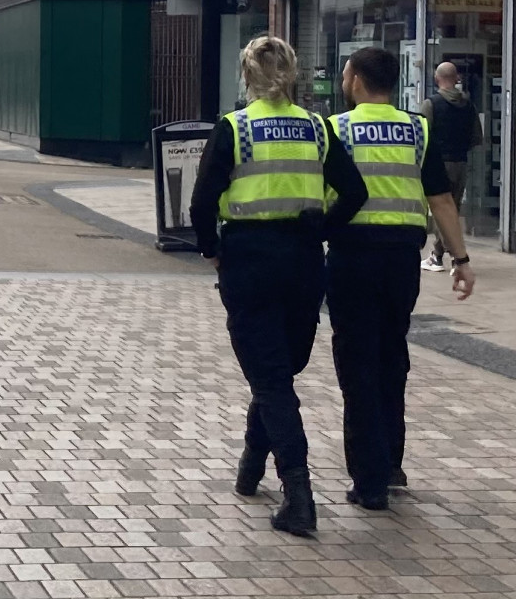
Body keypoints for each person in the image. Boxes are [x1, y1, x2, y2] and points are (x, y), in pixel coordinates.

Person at [190, 35, 367, 536]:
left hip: (248, 261)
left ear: (246, 75)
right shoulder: (316, 128)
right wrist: (322, 230)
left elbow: (202, 204)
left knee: (270, 379)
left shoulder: (235, 128)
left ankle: (299, 494)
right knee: (279, 372)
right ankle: (251, 467)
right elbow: (354, 192)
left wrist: (211, 248)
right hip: (304, 263)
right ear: (292, 73)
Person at [327, 48, 476, 512]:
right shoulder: (417, 129)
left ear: (353, 79)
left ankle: (369, 480)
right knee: (392, 355)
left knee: (357, 362)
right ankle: (391, 462)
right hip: (399, 262)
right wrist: (461, 258)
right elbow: (443, 201)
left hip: (352, 256)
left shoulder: (337, 129)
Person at [419, 62, 483, 272]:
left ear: (437, 79)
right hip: (461, 162)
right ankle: (439, 255)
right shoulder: (469, 106)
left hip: (438, 163)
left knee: (439, 210)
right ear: (456, 79)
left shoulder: (431, 104)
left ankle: (451, 256)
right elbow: (476, 137)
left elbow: (423, 135)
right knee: (452, 208)